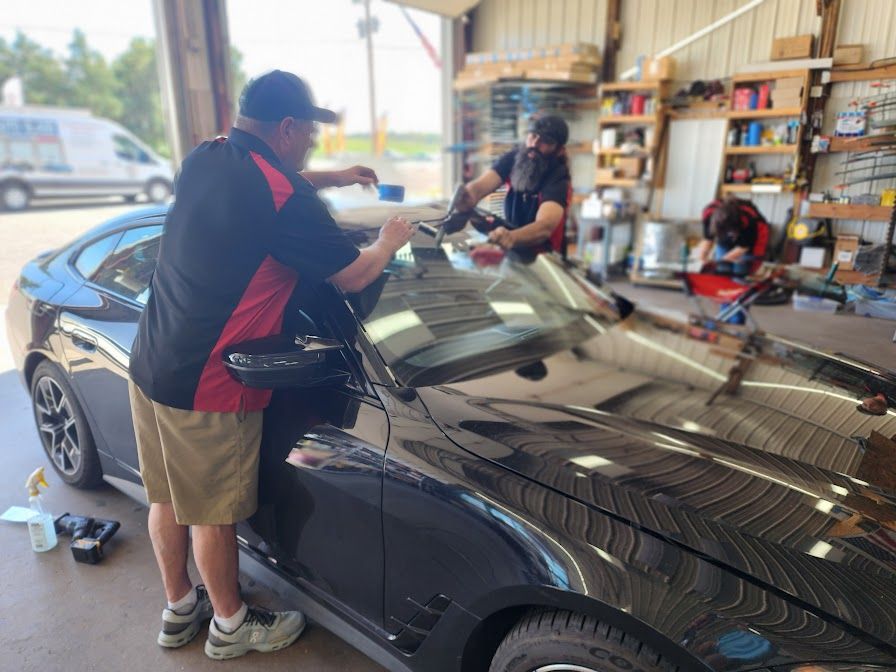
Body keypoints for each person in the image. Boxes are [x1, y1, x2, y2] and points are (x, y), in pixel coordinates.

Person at [127, 70, 414, 660]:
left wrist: (335, 177)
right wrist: (389, 239)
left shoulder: (208, 156)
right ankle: (231, 626)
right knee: (210, 514)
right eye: (309, 131)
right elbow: (354, 274)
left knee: (166, 498)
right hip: (207, 379)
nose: (312, 142)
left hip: (153, 358)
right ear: (286, 128)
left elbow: (276, 186)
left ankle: (180, 609)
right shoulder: (283, 197)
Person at [457, 114, 572, 259]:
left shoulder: (559, 177)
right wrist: (468, 196)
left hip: (545, 261)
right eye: (533, 135)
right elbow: (480, 186)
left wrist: (511, 237)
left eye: (546, 141)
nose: (535, 144)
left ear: (559, 150)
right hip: (514, 252)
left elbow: (545, 226)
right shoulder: (515, 158)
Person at [696, 195, 770, 276]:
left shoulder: (749, 219)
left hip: (753, 237)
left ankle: (739, 282)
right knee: (722, 270)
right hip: (726, 234)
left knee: (740, 271)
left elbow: (744, 246)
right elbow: (708, 238)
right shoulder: (708, 213)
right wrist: (703, 256)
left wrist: (721, 260)